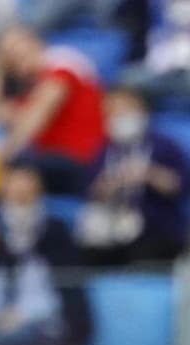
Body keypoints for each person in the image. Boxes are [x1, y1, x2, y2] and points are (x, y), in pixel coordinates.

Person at [0, 163, 92, 345]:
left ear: (38, 188)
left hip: (48, 322)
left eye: (26, 181)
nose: (20, 189)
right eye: (13, 182)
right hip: (3, 321)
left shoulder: (55, 231)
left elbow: (67, 290)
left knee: (1, 342)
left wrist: (23, 316)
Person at [0, 26, 105, 194]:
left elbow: (35, 119)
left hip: (83, 162)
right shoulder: (33, 88)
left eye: (16, 45)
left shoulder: (62, 61)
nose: (12, 55)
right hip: (50, 162)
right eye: (6, 54)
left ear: (34, 41)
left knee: (12, 170)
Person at [76, 87, 188, 267]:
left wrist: (149, 174)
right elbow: (91, 192)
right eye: (112, 112)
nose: (118, 116)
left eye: (125, 109)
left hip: (156, 228)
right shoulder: (105, 151)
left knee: (149, 251)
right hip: (113, 228)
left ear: (141, 110)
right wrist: (112, 184)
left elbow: (179, 186)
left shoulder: (164, 146)